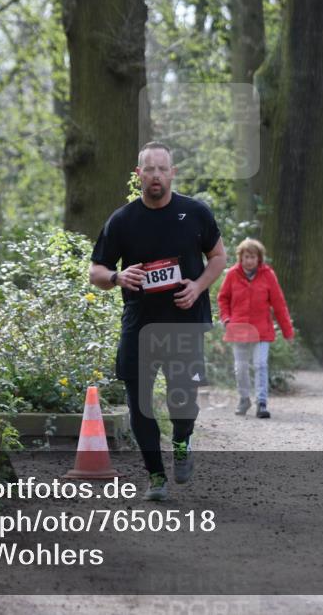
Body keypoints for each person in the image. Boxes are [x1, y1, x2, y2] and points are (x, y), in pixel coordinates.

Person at [89, 141, 226, 502]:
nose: (155, 176)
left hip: (185, 322)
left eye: (162, 169)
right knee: (140, 403)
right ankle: (155, 475)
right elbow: (97, 271)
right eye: (148, 169)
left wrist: (197, 286)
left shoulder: (196, 213)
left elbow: (218, 256)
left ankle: (182, 441)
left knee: (184, 402)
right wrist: (118, 278)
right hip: (140, 323)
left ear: (172, 173)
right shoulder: (122, 220)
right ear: (138, 175)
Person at [217, 238, 294, 419]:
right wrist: (226, 319)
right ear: (240, 258)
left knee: (260, 365)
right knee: (241, 368)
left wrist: (287, 331)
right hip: (238, 328)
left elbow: (279, 304)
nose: (249, 260)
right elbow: (223, 299)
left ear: (259, 258)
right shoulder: (232, 275)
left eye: (253, 257)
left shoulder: (268, 275)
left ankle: (262, 402)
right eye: (246, 257)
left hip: (261, 330)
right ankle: (244, 398)